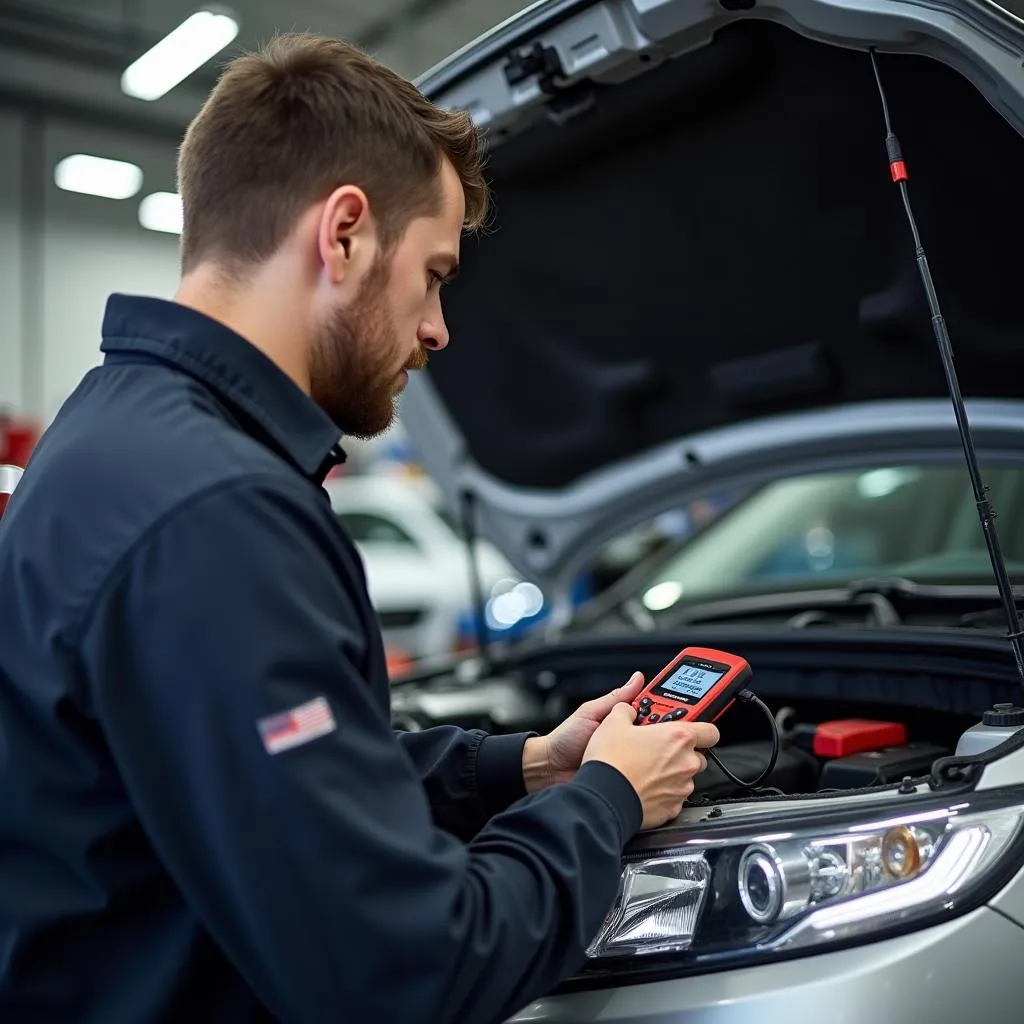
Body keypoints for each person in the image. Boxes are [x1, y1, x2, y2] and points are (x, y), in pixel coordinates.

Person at [0, 34, 719, 1024]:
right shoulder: (218, 513)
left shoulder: (112, 434)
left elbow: (266, 784)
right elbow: (409, 971)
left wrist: (525, 765)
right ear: (343, 233)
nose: (437, 329)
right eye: (433, 273)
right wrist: (603, 802)